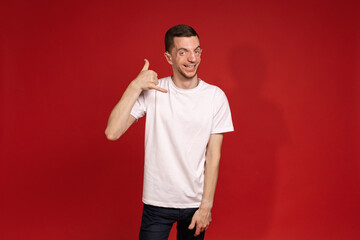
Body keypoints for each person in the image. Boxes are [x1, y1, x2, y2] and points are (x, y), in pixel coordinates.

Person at [105, 24, 234, 240]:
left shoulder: (215, 97)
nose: (192, 58)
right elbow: (112, 132)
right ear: (169, 58)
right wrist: (135, 86)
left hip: (195, 204)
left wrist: (206, 207)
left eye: (197, 50)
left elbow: (213, 156)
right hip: (157, 203)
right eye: (183, 52)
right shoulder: (153, 91)